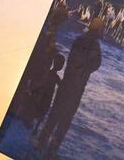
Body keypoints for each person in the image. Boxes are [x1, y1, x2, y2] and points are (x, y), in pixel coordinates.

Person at [34, 17, 103, 156]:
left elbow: (76, 62)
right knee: (65, 121)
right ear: (99, 30)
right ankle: (51, 151)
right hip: (76, 89)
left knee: (54, 115)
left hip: (66, 83)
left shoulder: (78, 40)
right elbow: (95, 65)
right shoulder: (95, 47)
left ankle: (40, 143)